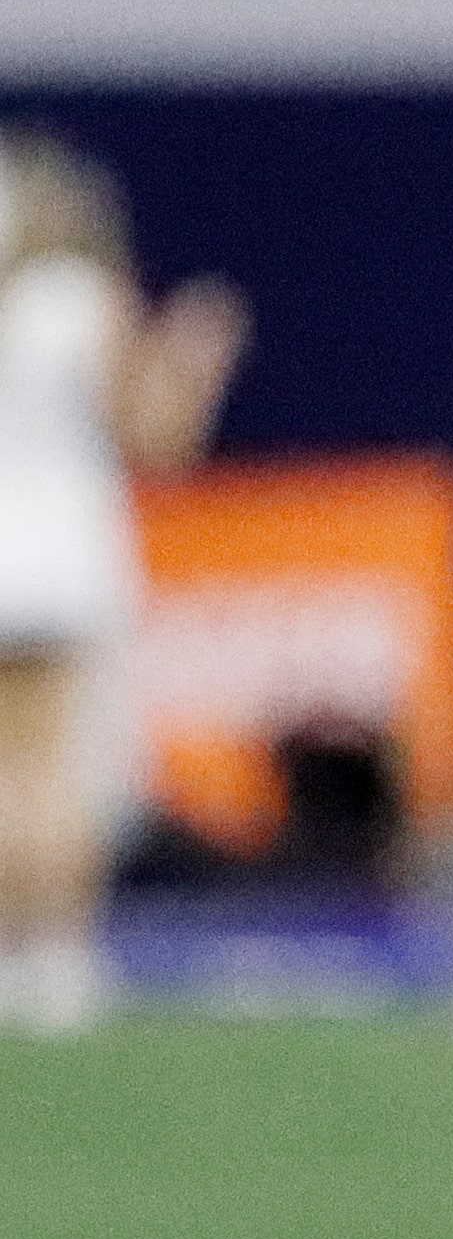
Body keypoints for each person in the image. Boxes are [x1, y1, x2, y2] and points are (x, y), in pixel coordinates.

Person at [0, 127, 245, 1032]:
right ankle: (56, 951)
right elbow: (151, 434)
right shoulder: (76, 299)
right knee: (50, 769)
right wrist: (193, 355)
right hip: (59, 551)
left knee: (7, 766)